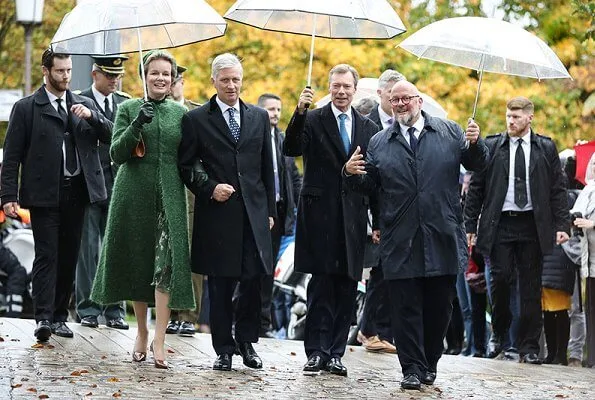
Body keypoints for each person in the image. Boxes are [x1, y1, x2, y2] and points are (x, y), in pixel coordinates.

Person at [344, 80, 488, 390]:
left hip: (442, 234)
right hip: (400, 237)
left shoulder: (449, 132)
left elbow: (477, 165)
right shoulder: (380, 141)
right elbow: (372, 187)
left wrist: (476, 144)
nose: (400, 104)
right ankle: (410, 367)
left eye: (405, 99)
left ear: (418, 101)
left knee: (439, 307)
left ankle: (429, 362)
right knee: (404, 306)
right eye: (395, 100)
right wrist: (351, 175)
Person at [91, 50, 196, 369]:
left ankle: (160, 340)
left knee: (165, 266)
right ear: (144, 76)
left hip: (171, 196)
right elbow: (117, 153)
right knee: (139, 261)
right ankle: (140, 332)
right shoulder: (128, 108)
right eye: (155, 73)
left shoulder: (182, 114)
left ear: (174, 78)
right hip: (133, 192)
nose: (161, 78)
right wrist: (137, 122)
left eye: (166, 73)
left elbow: (190, 157)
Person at [1, 48, 112, 342]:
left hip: (77, 192)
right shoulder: (27, 108)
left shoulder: (83, 104)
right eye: (60, 71)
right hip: (44, 194)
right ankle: (43, 317)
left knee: (69, 256)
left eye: (69, 70)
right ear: (45, 71)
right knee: (47, 255)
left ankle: (61, 316)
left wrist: (92, 117)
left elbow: (112, 136)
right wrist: (7, 196)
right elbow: (11, 157)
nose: (66, 76)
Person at [178, 53, 276, 372]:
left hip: (254, 213)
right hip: (218, 214)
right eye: (225, 80)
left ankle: (246, 342)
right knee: (220, 284)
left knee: (252, 281)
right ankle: (223, 348)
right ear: (213, 82)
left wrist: (271, 211)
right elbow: (186, 165)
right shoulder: (196, 119)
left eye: (236, 79)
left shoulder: (259, 117)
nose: (231, 85)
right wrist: (209, 188)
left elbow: (267, 168)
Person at [284, 64, 379, 377]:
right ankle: (316, 352)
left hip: (352, 220)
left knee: (346, 289)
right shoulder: (313, 118)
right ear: (329, 87)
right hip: (320, 217)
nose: (341, 92)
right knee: (321, 288)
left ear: (355, 90)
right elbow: (291, 147)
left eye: (346, 87)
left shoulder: (367, 127)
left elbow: (373, 179)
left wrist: (376, 221)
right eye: (336, 86)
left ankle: (336, 353)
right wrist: (299, 111)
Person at [464, 97, 569, 365]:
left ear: (529, 118)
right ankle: (499, 335)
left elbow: (557, 189)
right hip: (500, 225)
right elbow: (476, 189)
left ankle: (529, 346)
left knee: (531, 288)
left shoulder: (545, 147)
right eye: (508, 116)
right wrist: (470, 226)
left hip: (533, 225)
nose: (511, 121)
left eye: (517, 117)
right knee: (499, 281)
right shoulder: (492, 146)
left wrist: (562, 225)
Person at [75, 54, 130, 331]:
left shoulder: (125, 102)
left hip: (118, 183)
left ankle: (115, 309)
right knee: (88, 251)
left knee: (116, 248)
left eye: (117, 75)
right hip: (87, 186)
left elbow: (122, 137)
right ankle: (87, 308)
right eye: (109, 75)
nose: (114, 80)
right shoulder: (77, 100)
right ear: (94, 74)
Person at [256, 93, 302, 338]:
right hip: (258, 213)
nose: (275, 113)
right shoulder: (255, 137)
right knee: (255, 268)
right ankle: (248, 317)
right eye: (270, 109)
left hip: (280, 214)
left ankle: (263, 323)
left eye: (278, 109)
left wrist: (295, 207)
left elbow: (292, 177)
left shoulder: (284, 140)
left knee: (270, 269)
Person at [166, 64, 204, 337]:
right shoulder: (152, 110)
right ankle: (168, 314)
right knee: (165, 253)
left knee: (191, 254)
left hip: (191, 191)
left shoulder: (197, 112)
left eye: (175, 79)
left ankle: (189, 315)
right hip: (165, 186)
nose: (172, 85)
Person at [571, 152, 595, 368]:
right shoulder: (588, 189)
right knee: (590, 310)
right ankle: (592, 358)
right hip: (589, 259)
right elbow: (576, 212)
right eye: (594, 162)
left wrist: (593, 224)